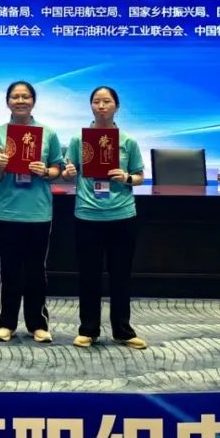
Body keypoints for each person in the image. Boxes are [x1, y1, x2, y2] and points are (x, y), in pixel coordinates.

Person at [63, 85, 147, 349]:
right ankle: (88, 330)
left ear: (117, 106)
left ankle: (123, 330)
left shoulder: (127, 141)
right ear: (91, 106)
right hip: (87, 215)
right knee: (89, 276)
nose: (101, 106)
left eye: (107, 101)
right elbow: (68, 171)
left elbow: (140, 176)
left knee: (121, 276)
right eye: (96, 101)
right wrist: (68, 173)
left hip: (122, 215)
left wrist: (127, 177)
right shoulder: (78, 140)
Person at [0, 81, 63, 344]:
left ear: (33, 101)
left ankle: (37, 324)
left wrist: (45, 171)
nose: (20, 101)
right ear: (8, 102)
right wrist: (0, 164)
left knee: (36, 270)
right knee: (8, 269)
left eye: (25, 96)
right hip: (7, 211)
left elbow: (57, 170)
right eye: (15, 97)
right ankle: (5, 323)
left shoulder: (48, 133)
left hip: (38, 212)